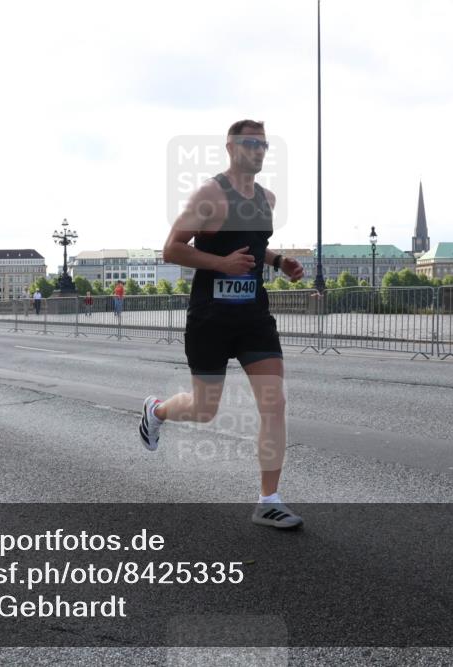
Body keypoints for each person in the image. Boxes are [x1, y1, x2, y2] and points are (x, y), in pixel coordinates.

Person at [139, 120, 305, 530]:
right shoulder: (209, 195)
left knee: (274, 403)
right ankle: (157, 410)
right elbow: (172, 249)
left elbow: (255, 246)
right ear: (230, 147)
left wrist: (279, 262)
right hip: (210, 319)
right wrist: (221, 265)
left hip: (253, 318)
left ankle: (269, 500)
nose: (259, 150)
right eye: (251, 143)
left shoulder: (268, 197)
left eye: (264, 145)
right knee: (203, 410)